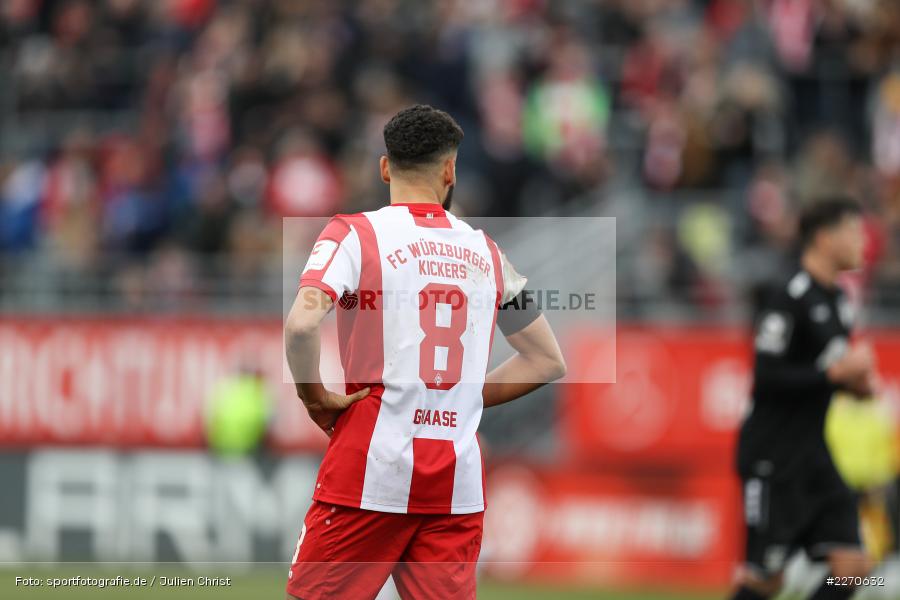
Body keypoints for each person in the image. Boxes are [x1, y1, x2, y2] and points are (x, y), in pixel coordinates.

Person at [283, 105, 566, 600]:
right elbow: (547, 360)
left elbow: (302, 323)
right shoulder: (488, 252)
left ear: (385, 168)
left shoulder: (353, 235)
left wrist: (314, 396)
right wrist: (463, 399)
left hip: (369, 471)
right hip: (454, 485)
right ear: (450, 170)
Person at [730, 198, 876, 600]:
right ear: (826, 237)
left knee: (854, 568)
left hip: (814, 455)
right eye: (854, 231)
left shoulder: (840, 303)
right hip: (773, 458)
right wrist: (834, 374)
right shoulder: (787, 295)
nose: (864, 241)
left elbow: (832, 377)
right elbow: (766, 376)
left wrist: (857, 384)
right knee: (765, 580)